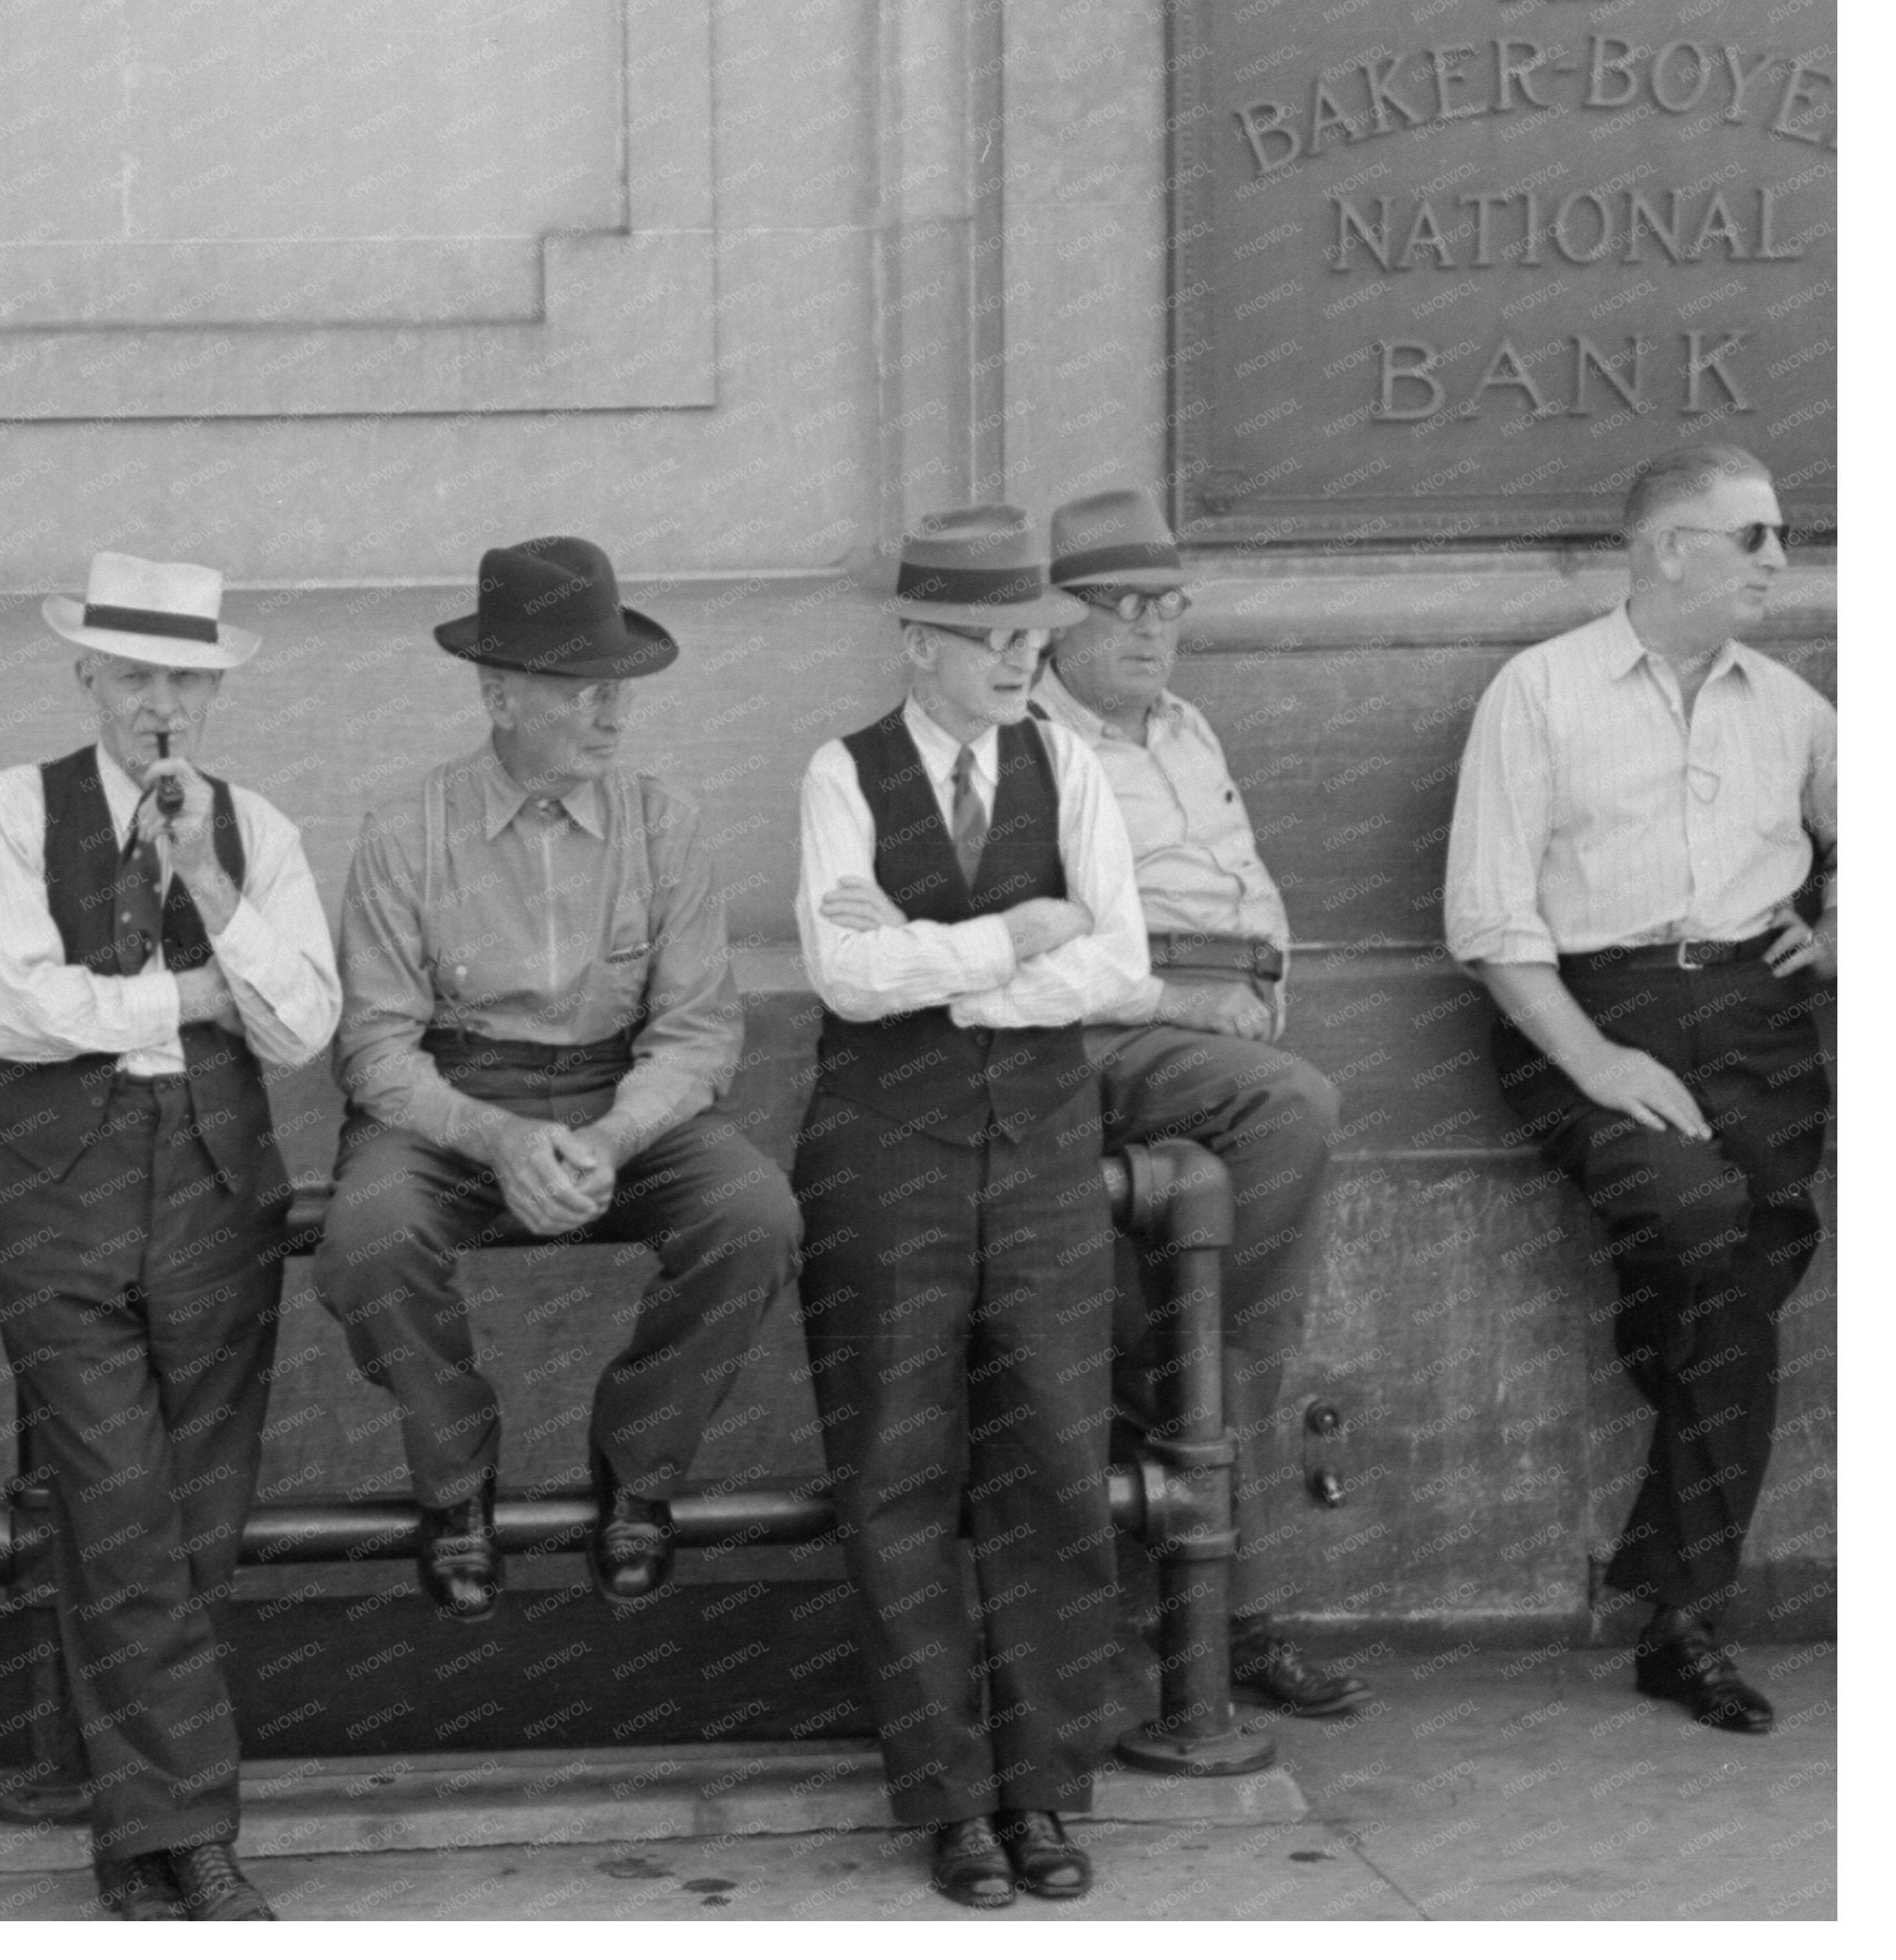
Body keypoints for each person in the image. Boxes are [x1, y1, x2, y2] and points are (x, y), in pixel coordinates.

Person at [312, 536, 799, 1625]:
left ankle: (640, 1465)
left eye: (617, 686)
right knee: (370, 1237)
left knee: (755, 1213)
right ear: (497, 694)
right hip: (454, 1097)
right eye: (578, 687)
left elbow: (699, 1034)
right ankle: (455, 1482)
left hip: (623, 1096)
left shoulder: (662, 826)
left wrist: (612, 1139)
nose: (610, 714)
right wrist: (500, 1140)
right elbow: (378, 1053)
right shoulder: (405, 834)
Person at [0, 551, 339, 1920]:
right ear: (88, 679)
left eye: (185, 677)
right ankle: (189, 1831)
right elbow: (20, 1009)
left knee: (201, 1513)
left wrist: (212, 889)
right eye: (135, 675)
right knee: (118, 1499)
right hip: (59, 1190)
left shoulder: (261, 830)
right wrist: (197, 993)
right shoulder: (14, 808)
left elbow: (302, 1025)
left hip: (218, 1190)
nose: (161, 702)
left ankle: (139, 1832)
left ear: (215, 689)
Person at [1444, 442, 1833, 1736]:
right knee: (1705, 1227)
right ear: (1672, 549)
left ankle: (1668, 1561)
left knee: (1752, 1251)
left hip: (1759, 1022)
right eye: (1758, 536)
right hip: (1592, 1016)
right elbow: (1492, 921)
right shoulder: (1539, 694)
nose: (1782, 560)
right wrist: (1598, 1061)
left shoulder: (1789, 706)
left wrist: (1835, 925)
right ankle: (1684, 1617)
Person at [795, 505, 1146, 1909]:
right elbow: (843, 971)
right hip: (887, 1158)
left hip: (1045, 1152)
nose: (1020, 659)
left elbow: (1118, 964)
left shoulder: (1069, 762)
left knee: (1056, 1460)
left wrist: (947, 966)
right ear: (916, 642)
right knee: (896, 1473)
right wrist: (1016, 935)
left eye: (1033, 636)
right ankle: (948, 1799)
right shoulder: (844, 771)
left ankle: (1046, 1788)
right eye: (992, 638)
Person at [1031, 486, 1369, 1718]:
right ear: (1052, 619)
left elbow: (1245, 889)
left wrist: (1255, 987)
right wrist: (1183, 996)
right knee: (1294, 1118)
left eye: (1166, 604)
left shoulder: (1187, 729)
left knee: (1240, 1341)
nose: (1148, 629)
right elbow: (1037, 946)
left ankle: (1225, 1625)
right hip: (1115, 1040)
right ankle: (1218, 1619)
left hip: (1224, 1045)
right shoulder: (1031, 743)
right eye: (1117, 606)